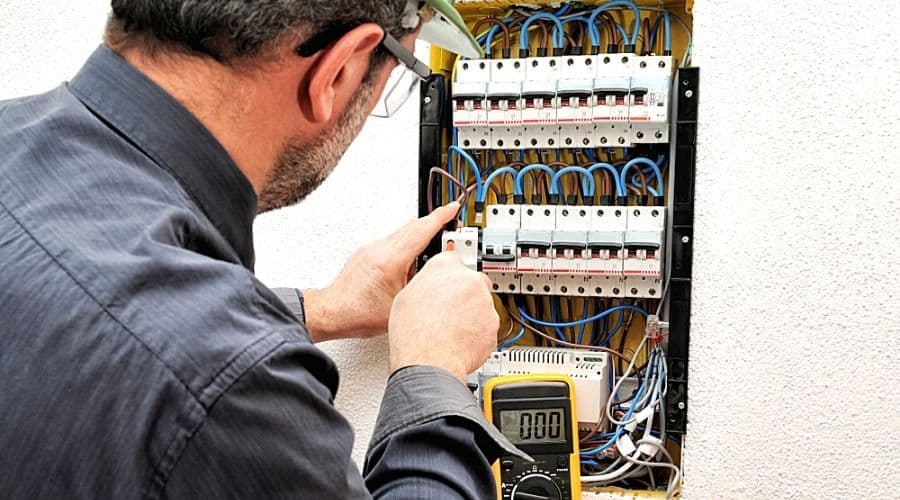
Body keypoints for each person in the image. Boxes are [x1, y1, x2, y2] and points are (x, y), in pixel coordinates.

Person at [0, 1, 524, 498]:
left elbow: (96, 312)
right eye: (398, 75)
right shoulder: (235, 385)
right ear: (337, 71)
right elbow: (192, 359)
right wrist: (431, 370)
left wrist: (319, 311)